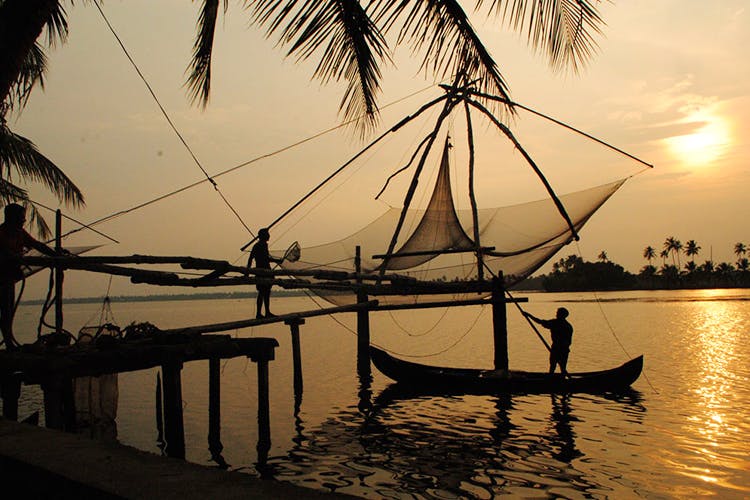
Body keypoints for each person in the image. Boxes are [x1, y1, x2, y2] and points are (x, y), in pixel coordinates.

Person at [0, 204, 59, 350]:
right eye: (21, 218)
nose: (23, 220)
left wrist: (56, 253)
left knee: (7, 312)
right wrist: (13, 256)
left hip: (9, 279)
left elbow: (37, 245)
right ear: (11, 218)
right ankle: (8, 343)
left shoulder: (20, 233)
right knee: (5, 311)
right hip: (1, 278)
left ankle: (8, 343)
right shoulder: (1, 233)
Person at [524, 307, 573, 375]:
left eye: (558, 313)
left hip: (559, 349)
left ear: (562, 315)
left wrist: (529, 315)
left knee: (556, 366)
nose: (556, 314)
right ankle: (556, 379)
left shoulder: (557, 323)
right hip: (561, 349)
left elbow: (540, 322)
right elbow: (541, 322)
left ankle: (554, 380)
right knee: (559, 367)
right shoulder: (566, 325)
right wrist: (529, 315)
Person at [247, 228, 282, 319]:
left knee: (266, 292)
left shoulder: (261, 245)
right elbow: (265, 259)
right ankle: (259, 313)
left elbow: (251, 258)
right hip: (262, 272)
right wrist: (277, 260)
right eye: (267, 234)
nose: (269, 235)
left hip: (266, 271)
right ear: (263, 236)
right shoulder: (260, 245)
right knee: (262, 292)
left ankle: (266, 312)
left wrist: (248, 270)